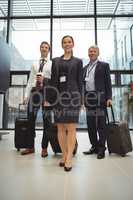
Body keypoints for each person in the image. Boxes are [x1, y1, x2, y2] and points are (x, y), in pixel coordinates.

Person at [49, 35, 83, 171]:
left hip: (73, 97)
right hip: (58, 97)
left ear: (73, 44)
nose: (67, 44)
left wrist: (82, 98)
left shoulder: (78, 61)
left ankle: (69, 157)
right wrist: (49, 98)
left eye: (69, 42)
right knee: (60, 128)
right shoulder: (55, 61)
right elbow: (52, 81)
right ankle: (63, 155)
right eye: (64, 42)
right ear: (61, 45)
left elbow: (80, 81)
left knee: (71, 127)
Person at [21, 41, 52, 157]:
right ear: (40, 49)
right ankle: (30, 147)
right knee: (30, 120)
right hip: (34, 92)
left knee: (47, 122)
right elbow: (30, 81)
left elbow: (53, 81)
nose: (44, 49)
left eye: (46, 47)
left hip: (46, 92)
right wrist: (26, 96)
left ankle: (44, 148)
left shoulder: (52, 64)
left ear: (48, 50)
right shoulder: (34, 64)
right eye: (42, 47)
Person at [83, 45, 112, 159]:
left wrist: (109, 97)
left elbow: (108, 83)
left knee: (101, 124)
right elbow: (82, 84)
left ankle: (101, 148)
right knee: (90, 124)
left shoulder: (104, 66)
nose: (92, 53)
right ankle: (94, 146)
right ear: (88, 53)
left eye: (94, 51)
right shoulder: (85, 68)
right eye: (90, 51)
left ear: (98, 53)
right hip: (89, 98)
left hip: (100, 97)